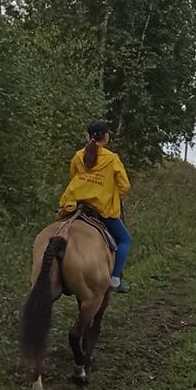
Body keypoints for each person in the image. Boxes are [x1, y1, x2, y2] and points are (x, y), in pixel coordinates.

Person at [58, 120, 133, 293]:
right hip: (101, 210)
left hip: (75, 205)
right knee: (125, 240)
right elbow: (125, 186)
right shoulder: (112, 159)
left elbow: (73, 178)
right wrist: (112, 197)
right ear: (106, 137)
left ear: (88, 136)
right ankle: (114, 279)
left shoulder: (78, 156)